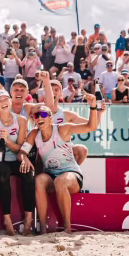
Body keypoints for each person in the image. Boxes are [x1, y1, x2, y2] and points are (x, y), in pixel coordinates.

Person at [19, 97, 98, 234]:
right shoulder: (34, 134)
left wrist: (93, 107)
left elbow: (91, 126)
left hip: (71, 174)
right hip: (51, 175)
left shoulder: (63, 129)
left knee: (60, 181)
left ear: (51, 118)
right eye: (36, 116)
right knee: (38, 180)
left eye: (43, 114)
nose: (39, 117)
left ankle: (67, 227)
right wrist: (24, 158)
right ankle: (43, 228)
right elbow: (21, 152)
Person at [0, 90, 32, 235]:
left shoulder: (21, 120)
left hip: (14, 158)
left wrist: (7, 141)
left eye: (5, 99)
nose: (3, 102)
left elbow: (20, 148)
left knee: (29, 172)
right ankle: (7, 220)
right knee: (3, 172)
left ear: (10, 101)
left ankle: (28, 218)